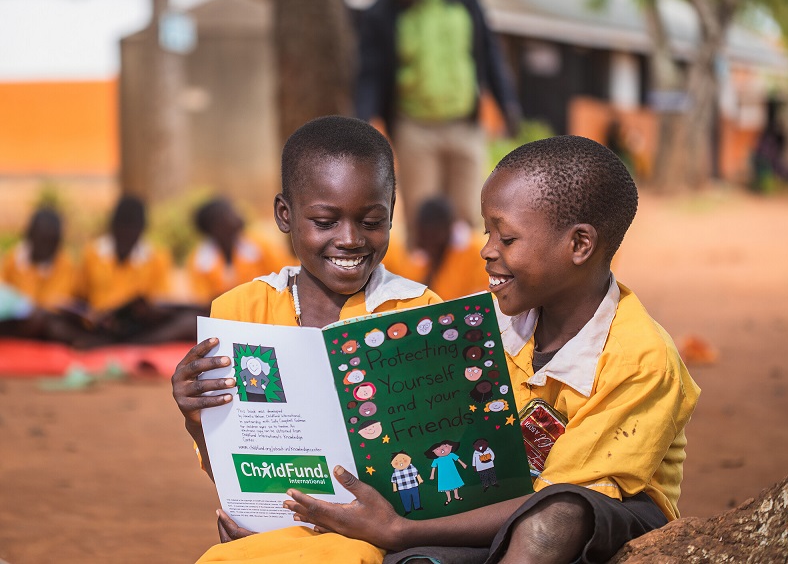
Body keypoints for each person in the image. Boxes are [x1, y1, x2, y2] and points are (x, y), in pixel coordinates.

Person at [274, 135, 700, 564]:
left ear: (579, 245)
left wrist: (401, 530)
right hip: (494, 502)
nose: (487, 250)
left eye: (508, 238)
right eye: (487, 231)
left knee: (551, 518)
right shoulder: (488, 327)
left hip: (607, 515)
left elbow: (560, 495)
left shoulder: (640, 358)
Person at [171, 115, 441, 563]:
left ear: (393, 209)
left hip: (377, 538)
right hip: (273, 534)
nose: (350, 240)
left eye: (372, 220)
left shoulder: (419, 313)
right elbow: (234, 472)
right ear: (285, 214)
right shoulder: (240, 314)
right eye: (325, 221)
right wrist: (194, 418)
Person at [356, 0, 521, 238]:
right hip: (414, 128)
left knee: (471, 215)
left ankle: (469, 277)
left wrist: (508, 103)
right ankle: (425, 279)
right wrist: (362, 125)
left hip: (464, 124)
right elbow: (370, 77)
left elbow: (488, 48)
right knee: (423, 219)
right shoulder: (381, 13)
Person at [75, 195, 196, 344]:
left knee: (189, 322)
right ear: (112, 226)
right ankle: (112, 343)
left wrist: (145, 311)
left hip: (139, 329)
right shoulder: (92, 253)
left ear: (142, 228)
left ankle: (126, 344)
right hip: (98, 326)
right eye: (122, 226)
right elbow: (80, 298)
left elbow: (159, 303)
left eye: (133, 227)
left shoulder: (157, 257)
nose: (126, 232)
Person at [187, 197, 294, 306]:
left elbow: (285, 275)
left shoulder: (260, 246)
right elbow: (204, 301)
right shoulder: (199, 261)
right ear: (215, 227)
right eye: (229, 213)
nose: (237, 215)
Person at [383, 196, 487, 300]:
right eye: (423, 237)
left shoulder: (476, 251)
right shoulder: (422, 259)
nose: (427, 243)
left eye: (433, 236)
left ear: (448, 229)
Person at [2, 207, 76, 310]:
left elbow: (54, 304)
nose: (45, 247)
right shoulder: (14, 259)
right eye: (42, 240)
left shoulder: (64, 265)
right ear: (30, 236)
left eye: (51, 242)